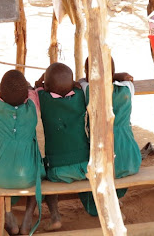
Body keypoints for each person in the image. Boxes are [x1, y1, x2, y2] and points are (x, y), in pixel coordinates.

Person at [0, 70, 45, 235]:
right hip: (28, 175)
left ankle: (9, 217)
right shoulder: (32, 104)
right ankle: (26, 221)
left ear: (1, 93)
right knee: (37, 177)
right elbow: (32, 89)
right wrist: (28, 86)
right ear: (26, 93)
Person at [78, 56, 141, 216]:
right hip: (130, 159)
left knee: (81, 168)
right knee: (120, 166)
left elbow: (81, 81)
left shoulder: (87, 91)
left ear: (88, 73)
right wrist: (117, 75)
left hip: (102, 161)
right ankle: (116, 197)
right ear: (112, 72)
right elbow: (128, 79)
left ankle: (99, 208)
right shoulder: (126, 88)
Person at [35, 62, 88, 231]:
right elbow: (80, 84)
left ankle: (55, 216)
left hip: (56, 170)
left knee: (43, 172)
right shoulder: (80, 95)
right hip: (86, 167)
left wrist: (43, 79)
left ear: (47, 86)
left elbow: (37, 85)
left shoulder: (43, 98)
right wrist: (71, 83)